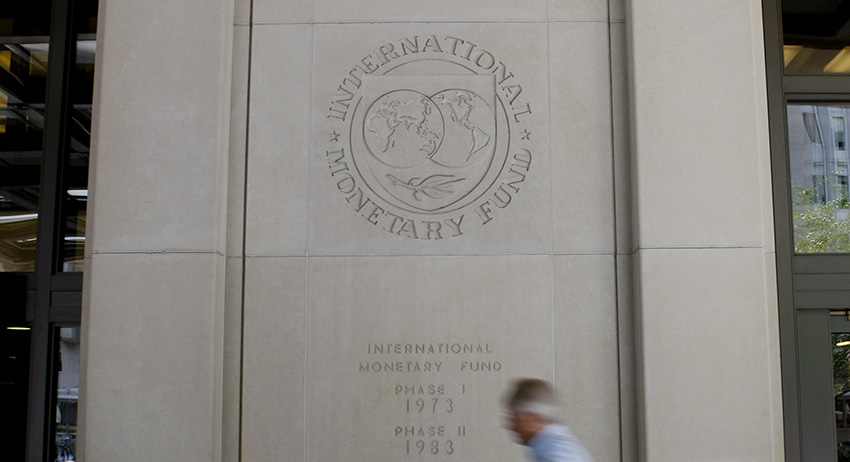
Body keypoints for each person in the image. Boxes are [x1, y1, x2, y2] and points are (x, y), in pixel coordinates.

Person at [504, 378, 592, 462]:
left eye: (515, 419)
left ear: (531, 417)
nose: (512, 427)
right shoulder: (549, 449)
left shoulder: (559, 454)